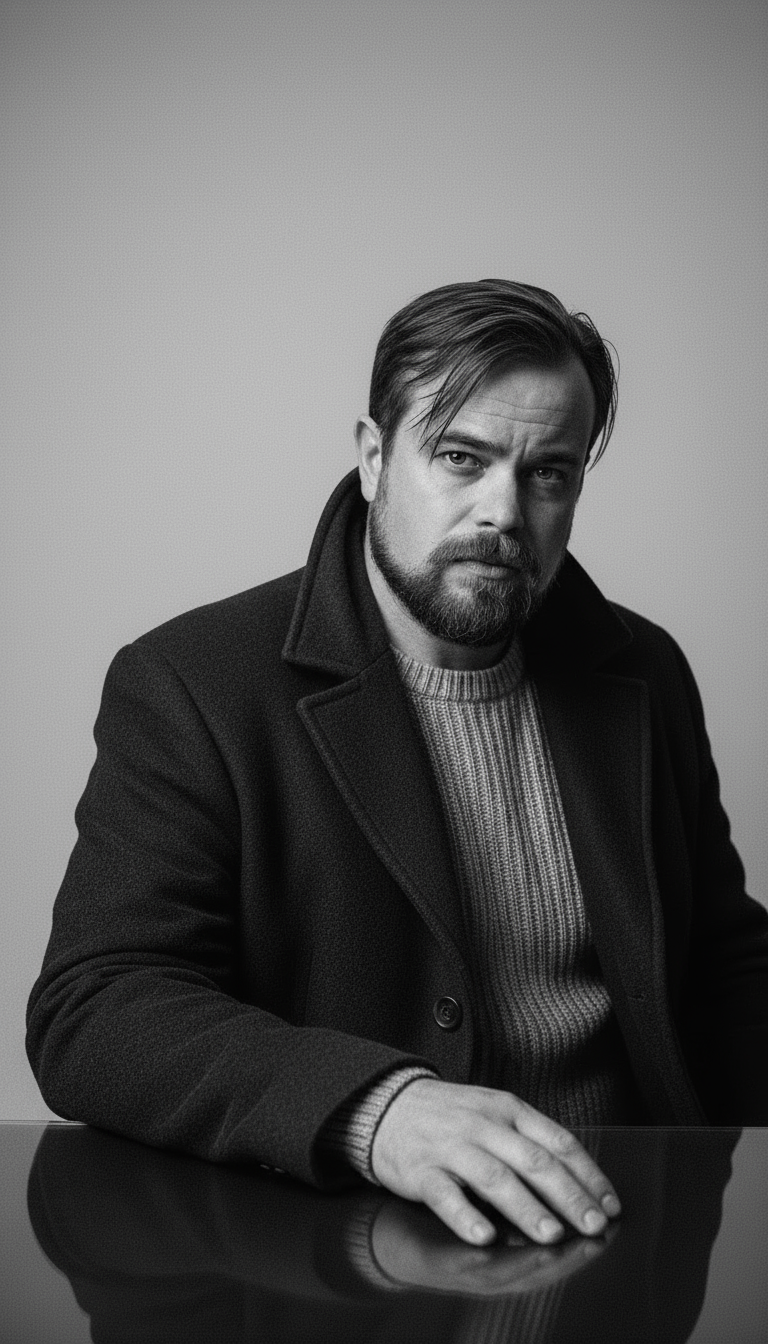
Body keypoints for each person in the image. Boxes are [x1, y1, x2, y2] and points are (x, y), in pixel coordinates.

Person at [27, 280, 768, 1250]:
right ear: (375, 457)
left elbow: (725, 968)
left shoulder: (643, 671)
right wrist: (376, 1110)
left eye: (549, 473)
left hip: (629, 1237)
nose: (503, 511)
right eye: (461, 458)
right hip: (348, 1254)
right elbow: (97, 1007)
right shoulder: (193, 683)